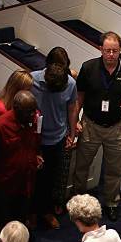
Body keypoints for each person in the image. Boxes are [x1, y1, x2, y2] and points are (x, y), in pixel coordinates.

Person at [74, 32, 121, 222]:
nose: (111, 54)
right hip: (90, 124)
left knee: (115, 169)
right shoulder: (88, 68)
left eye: (115, 51)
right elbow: (79, 98)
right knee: (82, 166)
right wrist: (76, 121)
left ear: (120, 50)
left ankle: (111, 203)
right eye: (107, 50)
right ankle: (79, 200)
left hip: (117, 126)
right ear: (100, 49)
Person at [0, 91, 41, 240]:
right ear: (16, 108)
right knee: (2, 220)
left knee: (21, 217)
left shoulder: (33, 120)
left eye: (33, 110)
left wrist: (37, 156)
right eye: (29, 111)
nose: (32, 115)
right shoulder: (0, 126)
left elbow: (35, 142)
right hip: (5, 184)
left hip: (26, 181)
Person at [31, 58, 78, 230]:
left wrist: (71, 133)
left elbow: (72, 108)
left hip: (57, 139)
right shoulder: (32, 80)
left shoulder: (70, 83)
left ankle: (46, 211)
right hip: (35, 141)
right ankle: (32, 214)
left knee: (51, 178)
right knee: (34, 180)